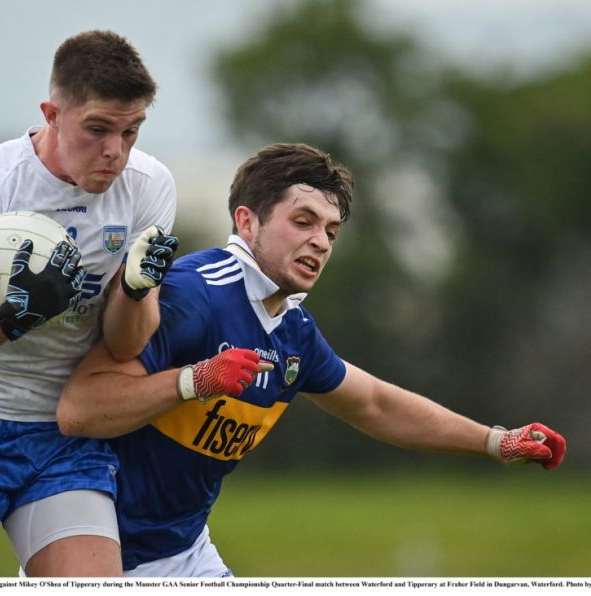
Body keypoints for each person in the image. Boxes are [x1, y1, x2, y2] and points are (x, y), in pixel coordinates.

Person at [57, 142, 567, 577]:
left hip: (185, 552)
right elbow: (80, 408)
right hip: (97, 556)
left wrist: (495, 441)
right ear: (246, 221)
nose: (320, 242)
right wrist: (196, 380)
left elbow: (372, 404)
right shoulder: (195, 293)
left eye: (331, 231)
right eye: (303, 221)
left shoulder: (292, 328)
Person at [0, 30, 179, 577]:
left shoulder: (149, 187)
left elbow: (126, 344)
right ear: (52, 114)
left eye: (131, 130)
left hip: (63, 436)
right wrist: (10, 318)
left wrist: (135, 290)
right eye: (97, 129)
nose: (115, 152)